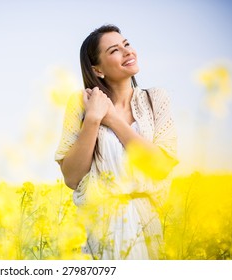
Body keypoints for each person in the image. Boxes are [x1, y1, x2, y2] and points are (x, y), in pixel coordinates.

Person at [55, 24, 178, 260]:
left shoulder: (156, 99)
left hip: (148, 225)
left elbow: (160, 166)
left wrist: (110, 118)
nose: (127, 52)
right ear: (97, 70)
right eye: (114, 50)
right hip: (100, 230)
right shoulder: (80, 104)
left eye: (127, 44)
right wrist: (92, 119)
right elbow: (72, 178)